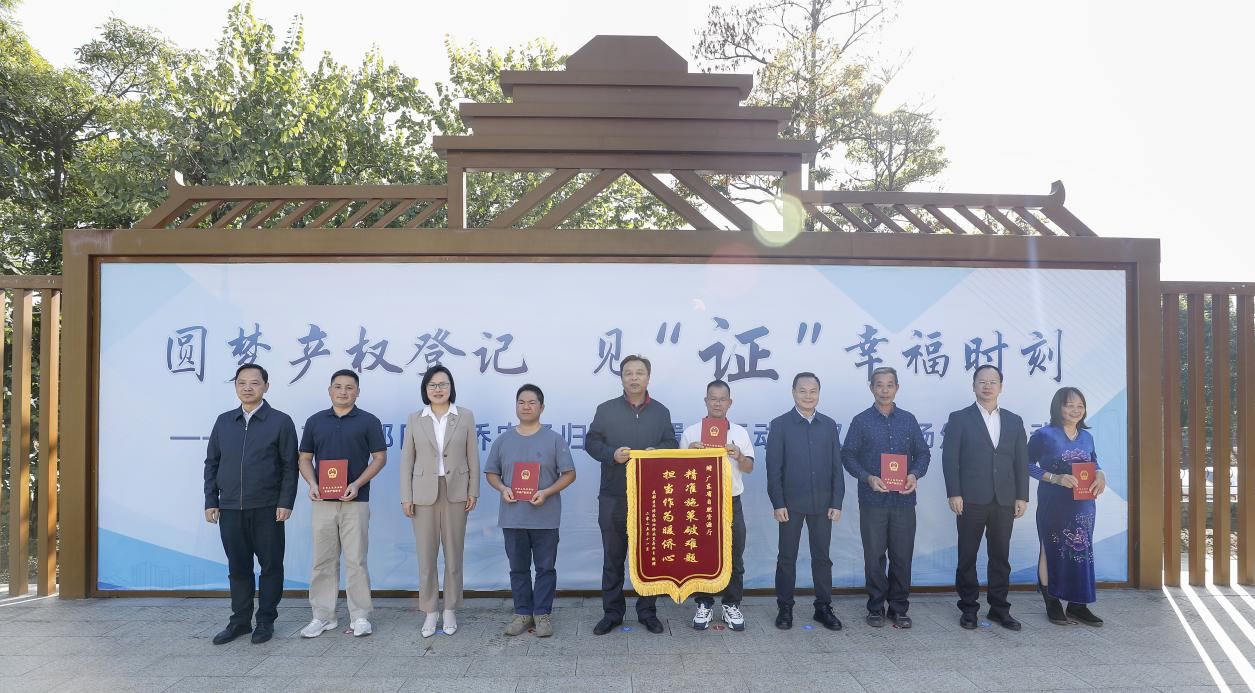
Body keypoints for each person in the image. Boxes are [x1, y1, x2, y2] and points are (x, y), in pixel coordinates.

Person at [203, 364, 298, 645]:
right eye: (241, 382)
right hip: (231, 508)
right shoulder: (224, 422)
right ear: (235, 386)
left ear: (266, 386)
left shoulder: (280, 421)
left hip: (267, 507)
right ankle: (240, 621)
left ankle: (265, 621)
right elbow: (212, 463)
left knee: (271, 567)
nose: (247, 387)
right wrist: (211, 500)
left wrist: (285, 501)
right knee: (238, 567)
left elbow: (289, 466)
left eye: (254, 383)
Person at [586, 354, 679, 635]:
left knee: (649, 558)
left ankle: (647, 612)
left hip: (651, 498)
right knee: (613, 558)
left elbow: (671, 443)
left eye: (640, 372)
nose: (634, 377)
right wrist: (611, 454)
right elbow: (591, 442)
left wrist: (657, 453)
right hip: (613, 496)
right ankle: (612, 613)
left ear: (648, 378)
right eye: (629, 373)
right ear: (622, 378)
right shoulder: (606, 410)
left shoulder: (661, 412)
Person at [296, 369, 388, 638]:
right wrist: (312, 484)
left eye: (349, 387)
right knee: (322, 560)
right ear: (330, 390)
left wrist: (357, 484)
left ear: (357, 392)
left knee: (356, 560)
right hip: (322, 501)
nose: (343, 391)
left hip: (355, 501)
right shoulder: (315, 421)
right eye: (338, 386)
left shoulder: (369, 421)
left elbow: (380, 457)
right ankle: (323, 616)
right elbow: (304, 458)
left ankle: (360, 616)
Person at [484, 384, 577, 638]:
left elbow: (569, 474)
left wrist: (547, 492)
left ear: (542, 407)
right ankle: (522, 613)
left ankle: (542, 614)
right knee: (518, 569)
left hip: (545, 518)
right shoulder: (503, 440)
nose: (526, 407)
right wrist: (502, 488)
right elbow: (491, 472)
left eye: (532, 402)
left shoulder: (554, 439)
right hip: (513, 517)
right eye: (521, 402)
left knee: (545, 569)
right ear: (516, 406)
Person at [841, 366, 930, 629]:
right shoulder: (861, 421)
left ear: (897, 388)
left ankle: (899, 608)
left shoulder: (908, 420)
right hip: (873, 501)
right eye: (879, 385)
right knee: (874, 556)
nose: (884, 390)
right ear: (871, 388)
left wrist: (914, 474)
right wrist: (867, 477)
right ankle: (876, 608)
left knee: (902, 557)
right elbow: (848, 455)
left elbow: (923, 454)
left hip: (904, 501)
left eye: (889, 385)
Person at [942, 364, 1029, 631]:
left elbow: (1021, 461)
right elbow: (950, 459)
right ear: (974, 386)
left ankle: (999, 609)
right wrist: (954, 493)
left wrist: (1022, 496)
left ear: (1000, 387)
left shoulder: (1014, 420)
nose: (987, 386)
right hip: (970, 499)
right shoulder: (959, 418)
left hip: (1004, 500)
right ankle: (969, 609)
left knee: (1000, 556)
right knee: (967, 556)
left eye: (993, 382)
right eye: (982, 381)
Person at [400, 365, 479, 638]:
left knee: (454, 553)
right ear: (425, 389)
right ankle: (430, 611)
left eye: (443, 384)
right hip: (423, 493)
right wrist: (406, 496)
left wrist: (473, 490)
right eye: (432, 385)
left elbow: (473, 456)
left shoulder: (465, 416)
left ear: (451, 387)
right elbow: (407, 460)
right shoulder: (415, 418)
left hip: (456, 491)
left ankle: (450, 609)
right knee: (426, 556)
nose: (438, 389)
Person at [766, 372, 845, 631]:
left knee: (822, 558)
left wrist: (837, 501)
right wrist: (778, 502)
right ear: (793, 392)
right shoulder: (780, 425)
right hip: (790, 504)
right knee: (786, 558)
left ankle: (823, 607)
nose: (808, 396)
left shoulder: (828, 425)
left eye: (813, 391)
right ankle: (785, 607)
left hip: (823, 504)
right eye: (802, 391)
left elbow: (836, 466)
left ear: (819, 394)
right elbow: (773, 469)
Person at [680, 379, 754, 632]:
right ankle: (704, 603)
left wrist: (739, 455)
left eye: (722, 399)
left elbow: (749, 468)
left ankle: (731, 604)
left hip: (731, 501)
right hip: (700, 502)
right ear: (706, 401)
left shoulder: (739, 433)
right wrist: (689, 454)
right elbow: (680, 474)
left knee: (735, 555)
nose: (718, 403)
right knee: (702, 554)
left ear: (730, 403)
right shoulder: (691, 433)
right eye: (713, 398)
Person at [1028, 386, 1106, 627]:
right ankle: (1051, 601)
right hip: (1053, 502)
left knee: (1080, 550)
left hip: (1083, 505)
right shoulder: (1043, 435)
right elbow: (1025, 464)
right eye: (1069, 405)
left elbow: (1094, 462)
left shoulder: (1087, 437)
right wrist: (1055, 478)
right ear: (1058, 407)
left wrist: (1101, 474)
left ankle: (1077, 605)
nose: (1075, 410)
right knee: (1050, 548)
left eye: (1080, 406)